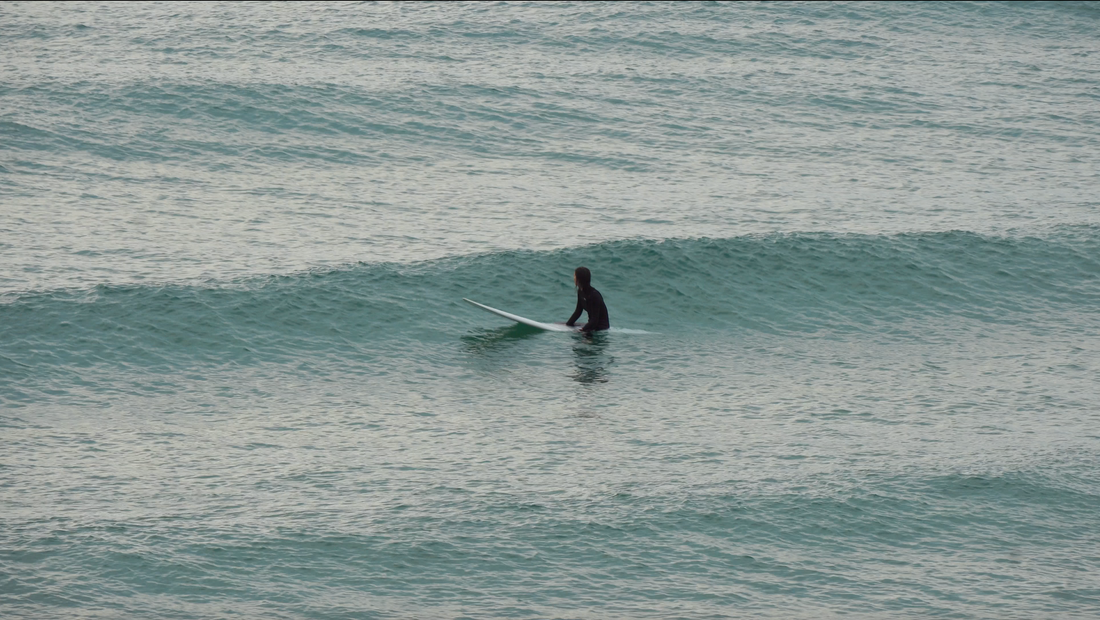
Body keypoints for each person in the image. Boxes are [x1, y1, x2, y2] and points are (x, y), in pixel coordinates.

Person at [566, 266, 610, 333]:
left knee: (582, 340)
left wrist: (583, 330)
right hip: (593, 325)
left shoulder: (594, 295)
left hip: (601, 328)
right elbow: (578, 311)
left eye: (575, 276)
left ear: (579, 279)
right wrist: (568, 324)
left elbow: (595, 319)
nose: (574, 278)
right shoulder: (580, 292)